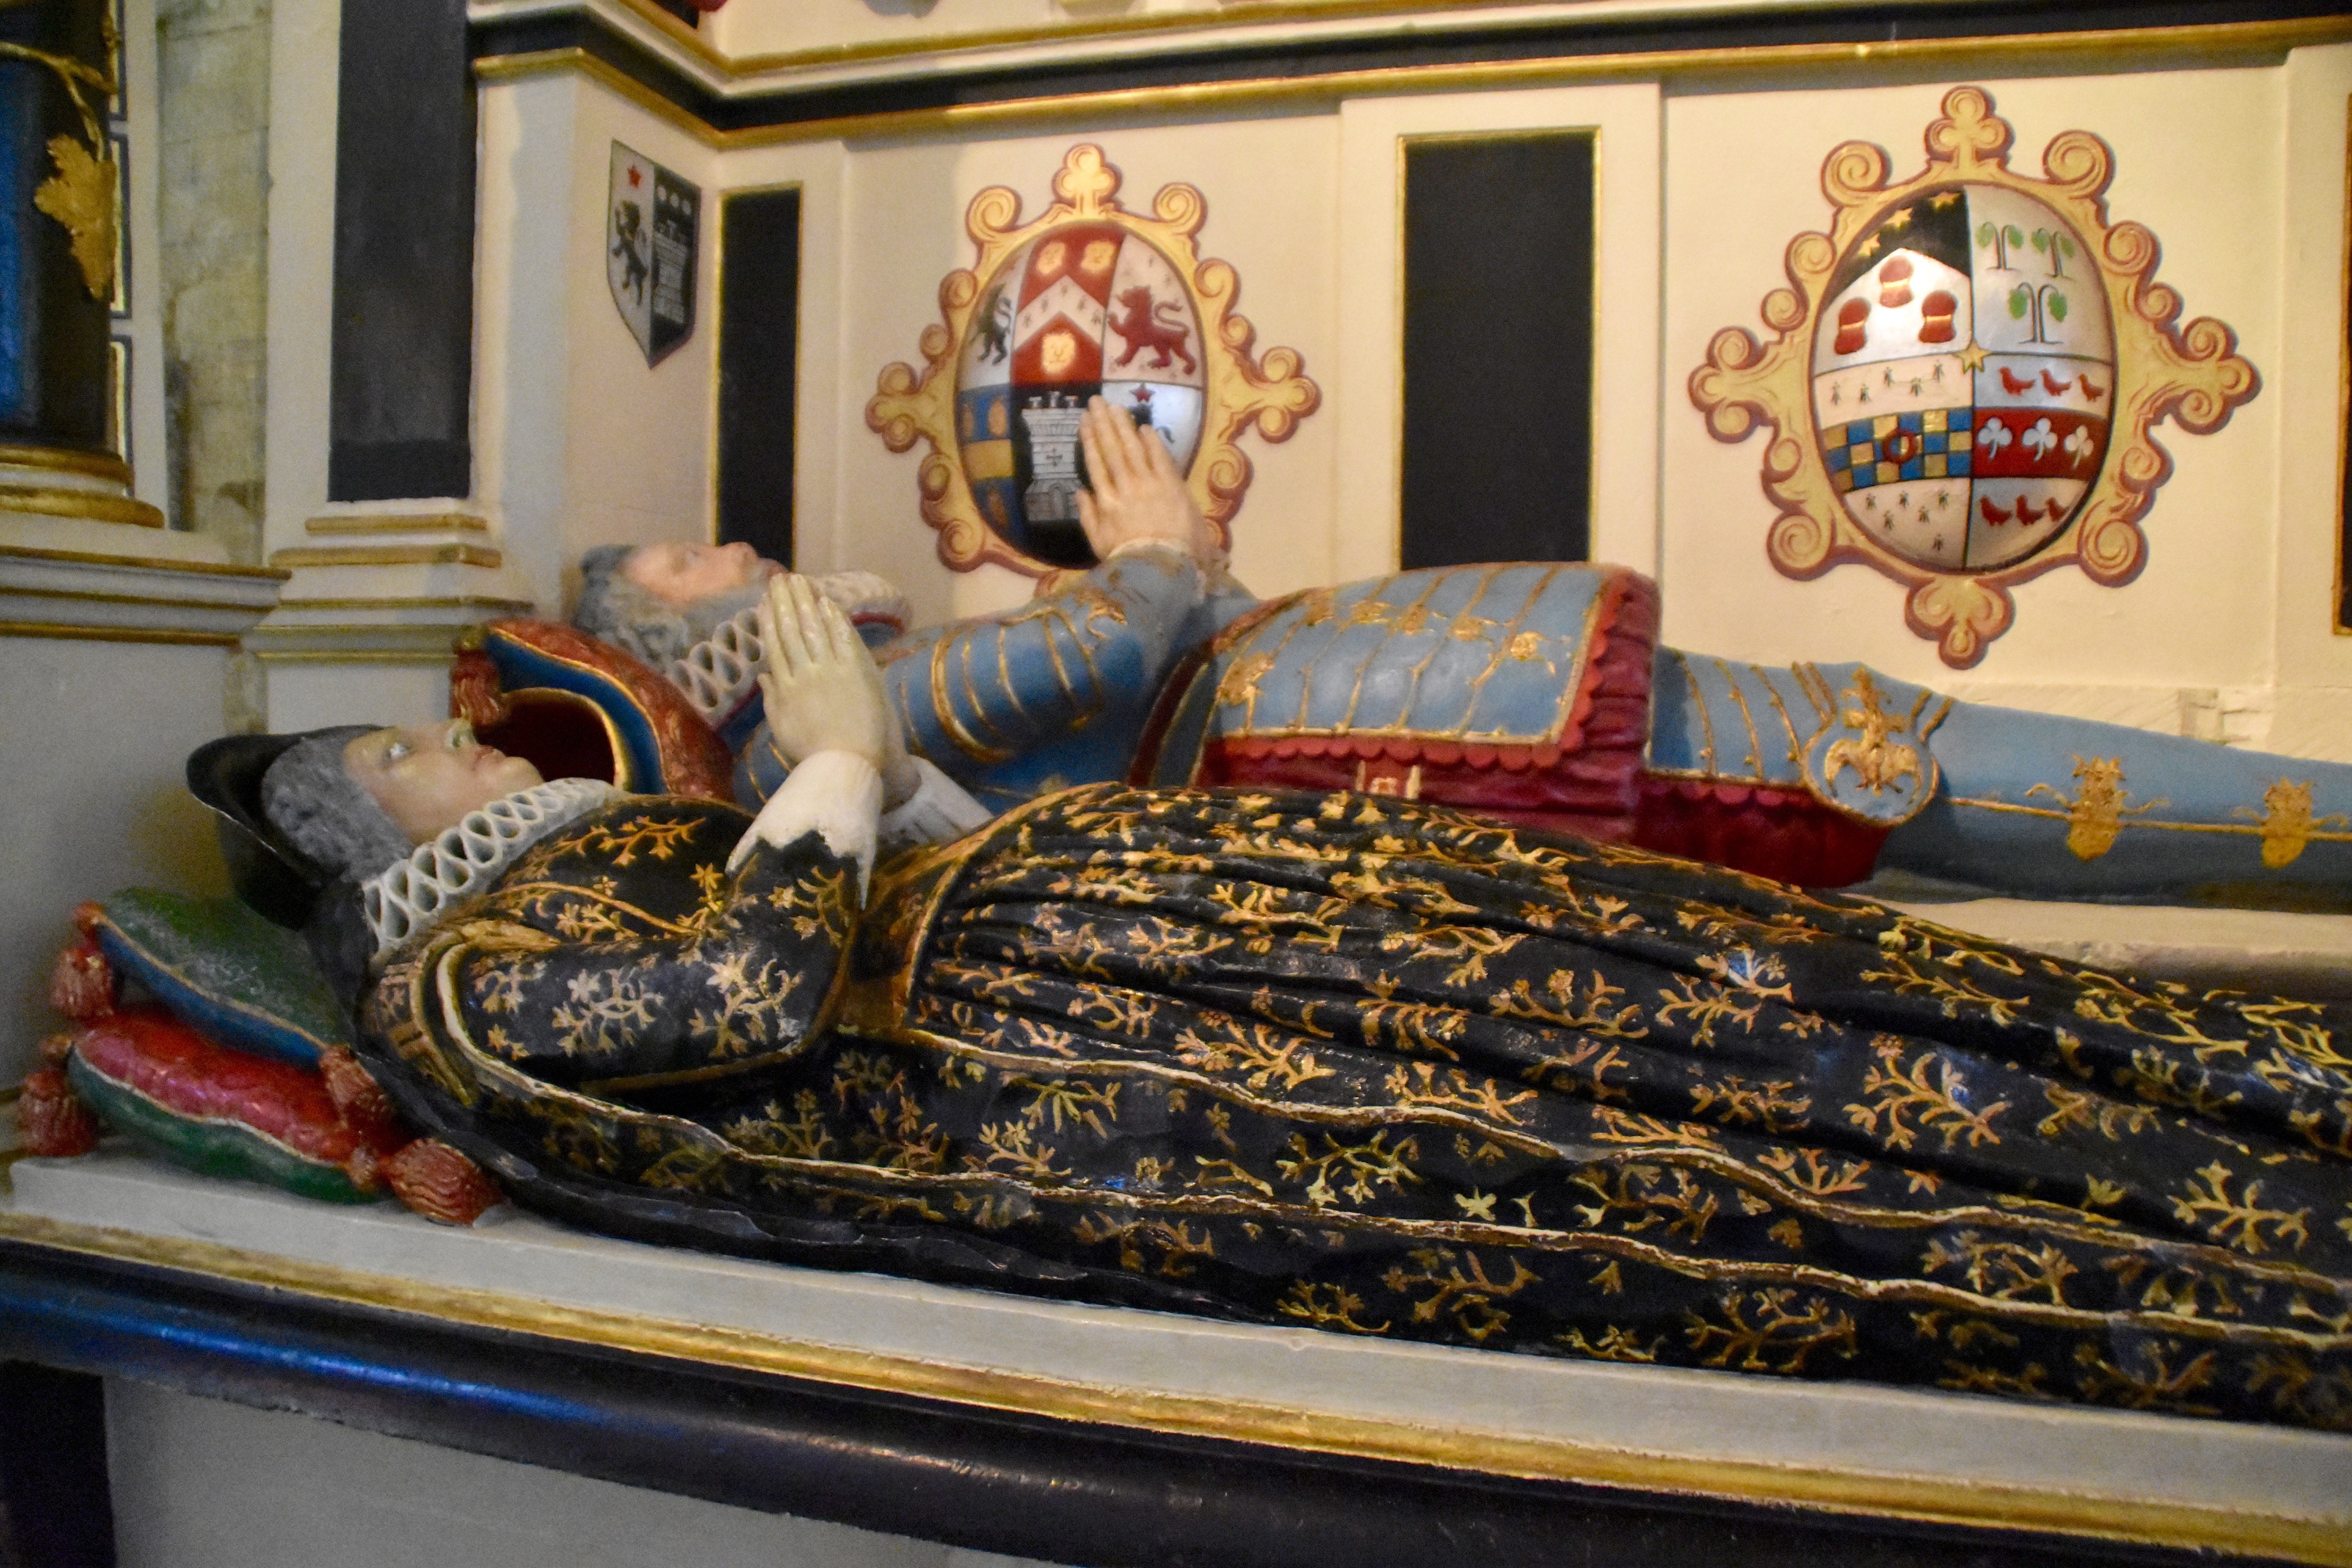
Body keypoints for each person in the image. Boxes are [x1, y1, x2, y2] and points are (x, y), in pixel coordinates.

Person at [260, 572, 2352, 1431]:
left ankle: (2266, 1083)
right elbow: (748, 988)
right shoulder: (456, 976)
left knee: (1708, 968)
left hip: (1188, 919)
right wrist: (825, 748)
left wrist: (881, 769)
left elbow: (863, 866)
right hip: (1142, 1070)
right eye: (421, 757)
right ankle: (2260, 1217)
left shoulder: (563, 862)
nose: (481, 753)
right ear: (372, 829)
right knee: (1687, 1119)